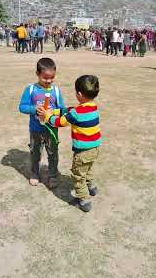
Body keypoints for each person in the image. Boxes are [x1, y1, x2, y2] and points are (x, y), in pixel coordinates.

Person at [39, 75, 102, 213]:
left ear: (79, 94)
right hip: (95, 148)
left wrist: (47, 116)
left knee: (78, 175)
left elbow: (59, 122)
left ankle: (84, 200)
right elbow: (69, 111)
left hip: (83, 151)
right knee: (88, 168)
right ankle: (91, 187)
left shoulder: (76, 113)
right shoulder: (93, 106)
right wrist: (53, 111)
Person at [18, 58, 66, 188]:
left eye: (52, 77)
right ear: (37, 74)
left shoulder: (56, 91)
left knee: (53, 153)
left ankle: (52, 174)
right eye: (45, 78)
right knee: (35, 152)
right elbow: (22, 107)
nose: (49, 81)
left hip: (51, 129)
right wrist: (34, 109)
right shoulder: (31, 89)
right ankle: (34, 173)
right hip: (35, 129)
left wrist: (54, 112)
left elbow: (62, 109)